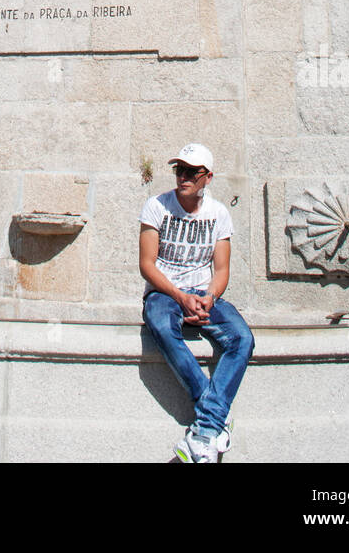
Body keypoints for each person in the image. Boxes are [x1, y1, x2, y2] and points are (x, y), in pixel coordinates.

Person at [139, 142, 254, 463]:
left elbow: (222, 269)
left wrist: (208, 298)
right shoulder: (157, 206)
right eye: (179, 170)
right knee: (161, 324)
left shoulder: (218, 214)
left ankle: (205, 427)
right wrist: (179, 297)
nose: (183, 177)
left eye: (192, 172)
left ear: (208, 177)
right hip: (165, 293)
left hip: (204, 294)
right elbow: (147, 264)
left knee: (242, 338)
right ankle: (214, 417)